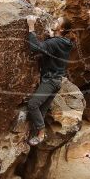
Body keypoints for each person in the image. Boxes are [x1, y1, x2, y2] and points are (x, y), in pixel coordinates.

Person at [26, 14, 73, 146]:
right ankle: (34, 134)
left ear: (62, 29)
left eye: (57, 21)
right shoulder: (64, 42)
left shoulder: (56, 42)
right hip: (56, 81)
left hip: (50, 81)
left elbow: (35, 48)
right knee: (41, 110)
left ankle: (41, 133)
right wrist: (51, 36)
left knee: (33, 104)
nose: (54, 21)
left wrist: (31, 27)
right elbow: (53, 46)